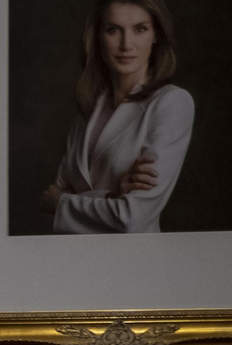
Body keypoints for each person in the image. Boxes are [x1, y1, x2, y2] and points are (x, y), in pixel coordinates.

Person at [43, 0, 193, 235]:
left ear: (156, 35)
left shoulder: (171, 103)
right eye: (113, 30)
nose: (126, 44)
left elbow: (131, 219)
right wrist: (110, 196)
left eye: (140, 29)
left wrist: (63, 203)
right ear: (98, 37)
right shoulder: (87, 111)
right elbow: (52, 197)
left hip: (132, 263)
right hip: (71, 262)